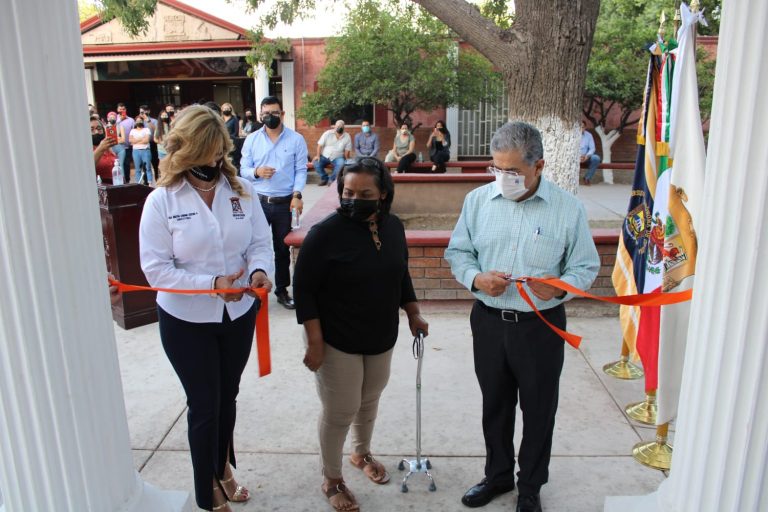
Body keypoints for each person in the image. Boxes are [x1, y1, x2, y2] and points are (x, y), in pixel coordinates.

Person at [445, 121, 599, 512]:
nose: (503, 178)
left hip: (540, 328)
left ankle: (530, 486)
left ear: (539, 166)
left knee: (538, 408)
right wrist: (476, 278)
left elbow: (585, 265)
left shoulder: (567, 208)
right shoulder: (478, 201)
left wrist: (561, 285)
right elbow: (458, 253)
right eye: (496, 168)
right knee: (494, 405)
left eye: (513, 171)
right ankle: (497, 476)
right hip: (490, 322)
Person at [139, 105, 274, 512]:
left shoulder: (242, 191)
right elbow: (155, 270)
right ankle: (206, 489)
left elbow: (259, 243)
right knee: (204, 402)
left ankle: (223, 467)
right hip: (186, 321)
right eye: (205, 155)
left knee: (227, 396)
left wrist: (260, 272)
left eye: (219, 153)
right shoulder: (161, 202)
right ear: (184, 151)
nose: (214, 163)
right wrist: (212, 286)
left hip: (238, 316)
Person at [293, 157, 429, 512]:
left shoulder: (393, 227)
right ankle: (332, 477)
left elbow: (400, 272)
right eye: (347, 192)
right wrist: (315, 341)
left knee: (369, 400)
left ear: (383, 194)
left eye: (364, 193)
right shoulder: (325, 234)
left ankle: (360, 453)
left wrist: (412, 311)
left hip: (381, 334)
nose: (354, 199)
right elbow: (303, 289)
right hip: (336, 338)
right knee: (340, 410)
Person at [240, 96, 308, 310]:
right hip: (258, 201)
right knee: (253, 246)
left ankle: (281, 290)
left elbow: (301, 170)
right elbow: (243, 170)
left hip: (284, 203)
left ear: (283, 114)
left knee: (281, 249)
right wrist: (257, 172)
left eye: (275, 113)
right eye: (266, 113)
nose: (270, 117)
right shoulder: (251, 139)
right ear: (261, 115)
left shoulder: (296, 139)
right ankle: (252, 289)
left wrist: (297, 195)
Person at [313, 120, 352, 186]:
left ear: (343, 127)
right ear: (335, 126)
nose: (339, 127)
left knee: (341, 164)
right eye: (338, 126)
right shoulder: (327, 133)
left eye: (341, 126)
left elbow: (347, 151)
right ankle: (324, 178)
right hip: (325, 156)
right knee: (316, 162)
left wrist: (347, 160)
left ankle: (331, 180)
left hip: (338, 157)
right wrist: (318, 156)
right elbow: (320, 145)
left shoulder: (347, 136)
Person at [91, 116, 117, 183]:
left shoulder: (107, 147)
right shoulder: (85, 149)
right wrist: (101, 148)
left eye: (99, 128)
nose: (96, 131)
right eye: (92, 129)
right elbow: (87, 168)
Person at [129, 116, 153, 186]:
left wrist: (136, 141)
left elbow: (146, 140)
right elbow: (130, 141)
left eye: (140, 120)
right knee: (137, 169)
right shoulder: (132, 131)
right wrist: (141, 139)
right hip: (136, 151)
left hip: (145, 150)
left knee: (148, 168)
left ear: (142, 121)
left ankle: (150, 183)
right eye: (137, 120)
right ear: (135, 122)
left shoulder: (146, 129)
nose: (139, 122)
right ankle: (138, 183)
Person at [139, 105, 160, 181]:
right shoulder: (138, 121)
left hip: (152, 143)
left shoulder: (154, 121)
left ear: (148, 111)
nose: (143, 113)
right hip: (142, 144)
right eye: (141, 112)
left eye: (145, 111)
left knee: (155, 163)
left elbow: (156, 131)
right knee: (144, 165)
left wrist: (147, 120)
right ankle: (146, 182)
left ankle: (157, 179)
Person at [116, 103, 134, 183]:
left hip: (127, 146)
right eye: (120, 109)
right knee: (118, 165)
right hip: (117, 147)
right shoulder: (114, 119)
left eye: (123, 109)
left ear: (125, 110)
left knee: (126, 165)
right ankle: (119, 181)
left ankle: (127, 180)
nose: (122, 111)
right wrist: (120, 120)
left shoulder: (131, 120)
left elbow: (134, 131)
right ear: (117, 110)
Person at [580, 121, 601, 185]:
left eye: (582, 127)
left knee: (596, 158)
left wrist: (587, 156)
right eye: (579, 127)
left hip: (585, 157)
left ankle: (587, 178)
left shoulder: (589, 135)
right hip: (573, 157)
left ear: (585, 127)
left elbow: (592, 148)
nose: (580, 129)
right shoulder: (571, 134)